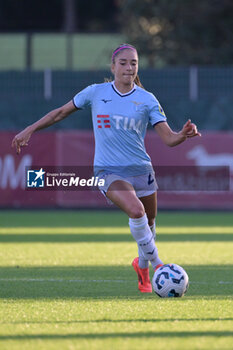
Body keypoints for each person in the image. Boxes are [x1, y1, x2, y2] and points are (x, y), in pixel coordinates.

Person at [12, 43, 201, 293]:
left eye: (133, 63)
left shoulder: (147, 100)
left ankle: (142, 267)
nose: (129, 67)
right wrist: (30, 128)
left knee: (150, 223)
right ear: (113, 66)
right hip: (107, 171)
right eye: (123, 63)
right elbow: (59, 113)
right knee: (136, 211)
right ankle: (159, 267)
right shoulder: (95, 92)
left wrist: (183, 135)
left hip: (141, 169)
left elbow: (168, 138)